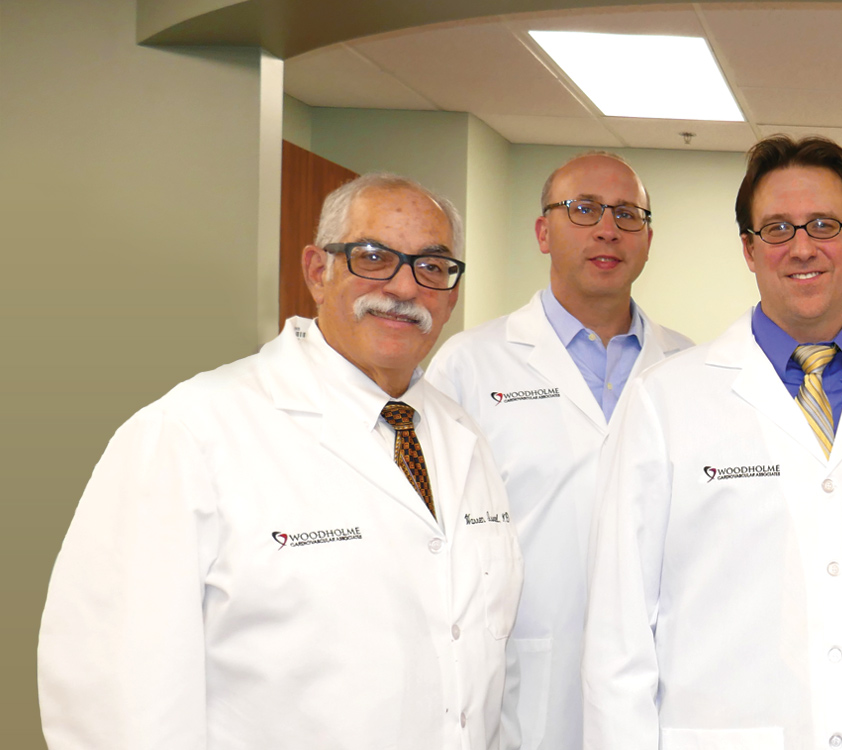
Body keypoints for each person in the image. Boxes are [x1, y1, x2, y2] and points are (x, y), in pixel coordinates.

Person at [39, 173, 521, 748]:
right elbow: (114, 696)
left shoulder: (461, 434)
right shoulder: (190, 432)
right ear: (318, 271)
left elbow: (481, 660)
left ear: (451, 294)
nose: (405, 287)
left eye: (432, 267)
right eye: (373, 257)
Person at [581, 135, 842, 750]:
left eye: (823, 224)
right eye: (777, 229)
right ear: (748, 249)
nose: (803, 247)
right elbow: (617, 636)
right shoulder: (665, 401)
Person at [426, 151, 693, 750]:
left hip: (662, 674)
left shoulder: (689, 368)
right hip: (520, 673)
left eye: (628, 214)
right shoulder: (469, 366)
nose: (607, 229)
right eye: (584, 209)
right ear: (543, 231)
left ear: (648, 238)